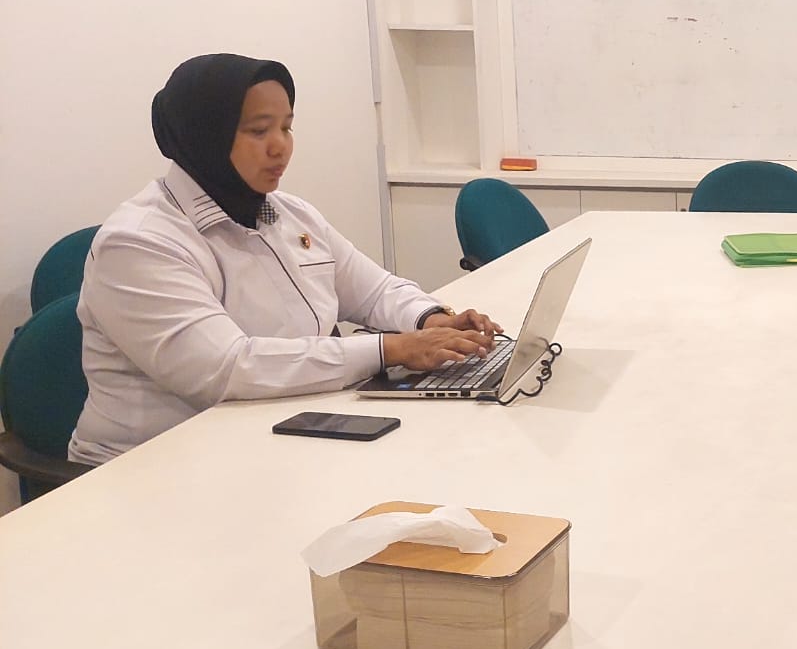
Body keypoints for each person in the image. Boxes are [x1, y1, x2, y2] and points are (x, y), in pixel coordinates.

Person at [68, 54, 500, 465]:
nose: (281, 147)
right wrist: (393, 348)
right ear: (205, 134)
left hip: (277, 433)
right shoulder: (139, 243)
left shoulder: (287, 213)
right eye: (259, 131)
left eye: (287, 127)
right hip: (151, 468)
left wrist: (429, 320)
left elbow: (374, 291)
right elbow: (225, 370)